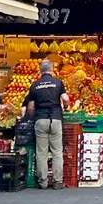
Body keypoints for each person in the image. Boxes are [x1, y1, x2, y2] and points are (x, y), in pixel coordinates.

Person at [25, 59, 69, 190]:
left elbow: (31, 107)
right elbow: (66, 99)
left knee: (41, 153)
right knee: (57, 152)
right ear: (52, 69)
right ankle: (57, 182)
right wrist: (66, 108)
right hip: (55, 119)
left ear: (40, 70)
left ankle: (42, 182)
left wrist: (30, 117)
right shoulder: (58, 82)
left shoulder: (35, 85)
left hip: (40, 119)